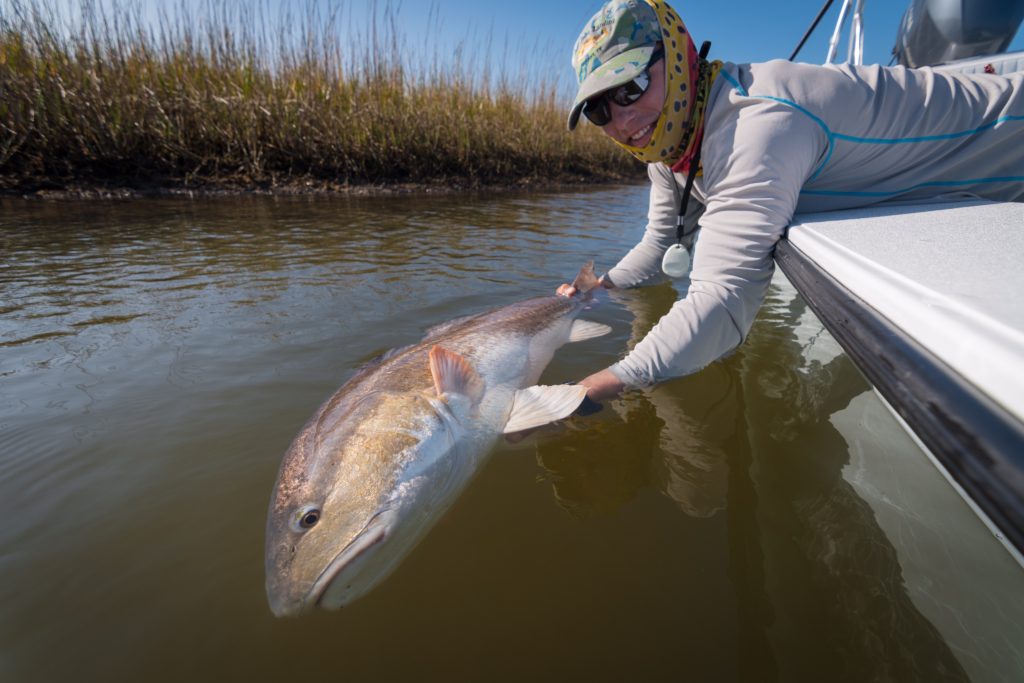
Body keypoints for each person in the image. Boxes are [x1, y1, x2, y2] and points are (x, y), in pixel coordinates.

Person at [559, 0, 1024, 406]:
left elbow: (722, 301)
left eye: (633, 86)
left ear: (678, 55)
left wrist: (590, 389)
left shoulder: (756, 123)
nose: (622, 119)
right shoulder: (670, 153)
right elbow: (661, 242)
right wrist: (599, 289)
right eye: (600, 109)